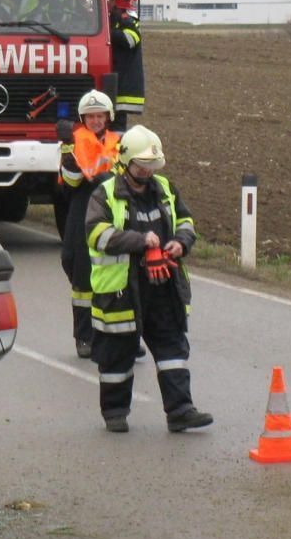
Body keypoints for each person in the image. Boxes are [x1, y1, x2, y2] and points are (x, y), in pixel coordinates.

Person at [85, 125, 213, 434]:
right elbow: (96, 233)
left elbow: (186, 221)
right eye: (141, 164)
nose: (147, 170)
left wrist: (181, 242)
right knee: (117, 354)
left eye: (151, 165)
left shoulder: (166, 189)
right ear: (126, 162)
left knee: (172, 349)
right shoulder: (105, 194)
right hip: (121, 291)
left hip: (163, 286)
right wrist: (140, 240)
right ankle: (115, 412)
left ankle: (181, 411)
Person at [60, 90, 122, 359]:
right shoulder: (74, 141)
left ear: (108, 117)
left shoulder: (119, 141)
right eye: (91, 116)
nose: (96, 120)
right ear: (82, 118)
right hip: (82, 209)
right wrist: (65, 150)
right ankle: (84, 337)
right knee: (82, 279)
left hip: (112, 211)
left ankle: (121, 335)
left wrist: (101, 178)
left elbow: (124, 175)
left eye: (100, 116)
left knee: (118, 278)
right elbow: (72, 181)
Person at [109, 0, 145, 130]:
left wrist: (107, 34)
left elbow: (130, 39)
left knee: (117, 126)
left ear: (120, 1)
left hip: (123, 88)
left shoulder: (129, 21)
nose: (108, 1)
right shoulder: (116, 18)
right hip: (117, 84)